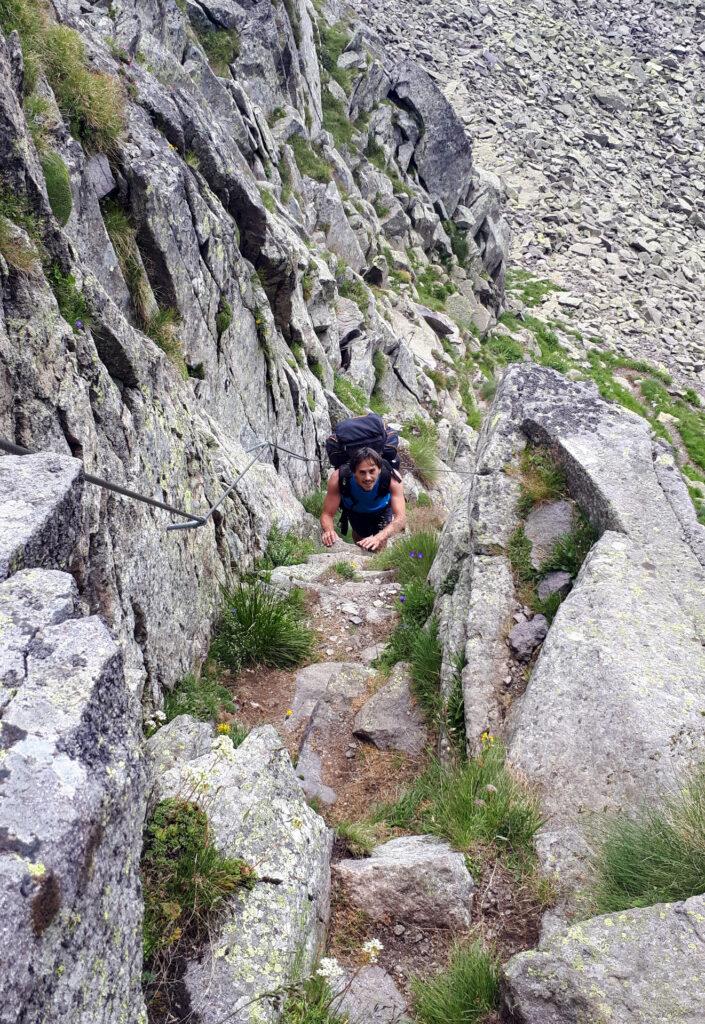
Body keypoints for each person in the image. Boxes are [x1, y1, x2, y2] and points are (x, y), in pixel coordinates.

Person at [320, 447, 406, 552]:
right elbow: (327, 514)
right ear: (353, 472)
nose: (368, 478)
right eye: (362, 472)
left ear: (379, 469)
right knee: (360, 541)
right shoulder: (338, 478)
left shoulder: (393, 478)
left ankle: (377, 564)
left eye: (372, 471)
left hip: (382, 510)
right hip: (355, 512)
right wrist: (329, 531)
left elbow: (401, 518)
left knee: (379, 546)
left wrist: (378, 537)